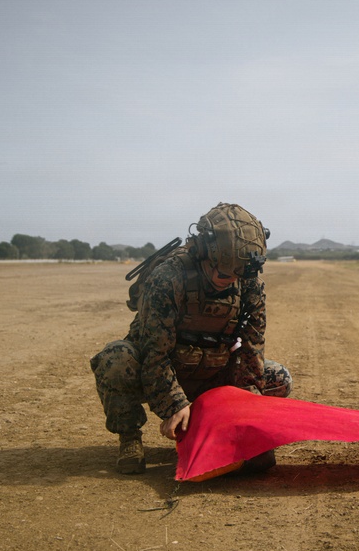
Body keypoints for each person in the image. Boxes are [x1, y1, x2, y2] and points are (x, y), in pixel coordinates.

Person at [90, 202, 292, 474]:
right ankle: (129, 439)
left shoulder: (248, 281)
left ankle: (221, 430)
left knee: (278, 378)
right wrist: (174, 404)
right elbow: (155, 355)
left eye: (237, 275)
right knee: (115, 358)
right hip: (160, 373)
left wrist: (249, 418)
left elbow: (251, 351)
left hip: (213, 372)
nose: (229, 280)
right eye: (223, 274)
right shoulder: (169, 278)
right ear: (204, 254)